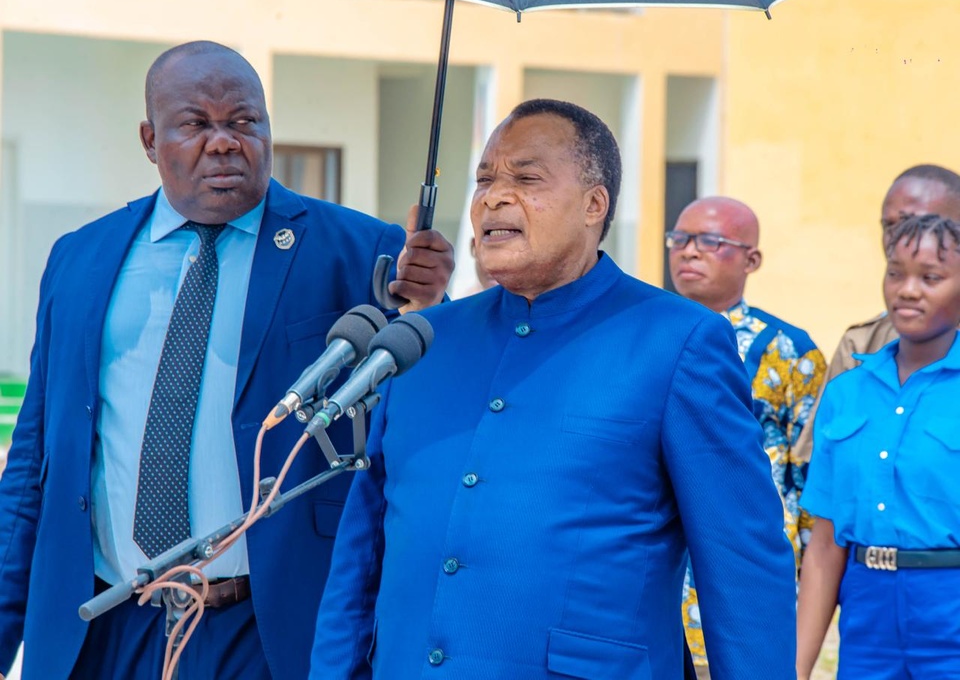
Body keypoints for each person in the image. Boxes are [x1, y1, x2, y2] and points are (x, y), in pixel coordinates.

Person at [0, 41, 453, 680]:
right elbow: (34, 464)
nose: (224, 142)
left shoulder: (363, 251)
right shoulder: (80, 258)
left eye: (244, 122)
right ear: (150, 140)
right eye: (196, 124)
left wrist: (433, 302)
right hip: (103, 622)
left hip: (266, 628)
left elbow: (421, 415)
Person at [309, 99, 797, 679]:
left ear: (595, 204)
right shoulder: (423, 340)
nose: (493, 196)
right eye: (485, 178)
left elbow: (742, 567)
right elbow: (360, 554)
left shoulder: (677, 341)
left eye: (526, 177)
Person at [666, 196, 826, 677]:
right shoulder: (641, 337)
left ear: (751, 260)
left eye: (711, 241)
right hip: (651, 599)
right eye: (680, 239)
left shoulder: (789, 352)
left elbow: (808, 486)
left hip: (741, 594)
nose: (689, 252)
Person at [797, 212, 960, 680]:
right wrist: (797, 667)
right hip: (866, 606)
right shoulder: (847, 392)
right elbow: (825, 546)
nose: (908, 290)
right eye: (896, 273)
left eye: (931, 277)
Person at [794, 163, 960, 463]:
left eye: (913, 223)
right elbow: (820, 464)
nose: (895, 238)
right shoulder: (860, 344)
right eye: (889, 226)